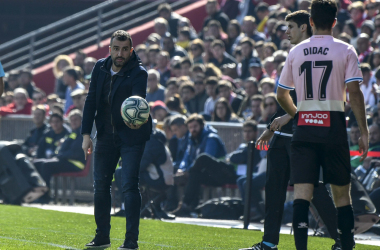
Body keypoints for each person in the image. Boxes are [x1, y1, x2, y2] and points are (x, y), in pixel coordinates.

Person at [240, 10, 342, 250]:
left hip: (307, 134)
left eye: (291, 27)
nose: (286, 32)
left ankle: (342, 239)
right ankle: (268, 243)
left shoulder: (318, 54)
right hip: (283, 136)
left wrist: (289, 116)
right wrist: (271, 127)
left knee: (315, 192)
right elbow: (286, 97)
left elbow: (323, 98)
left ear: (304, 28)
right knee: (274, 191)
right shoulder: (294, 54)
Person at [274, 2, 368, 250]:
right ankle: (346, 246)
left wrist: (296, 114)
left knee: (302, 196)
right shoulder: (346, 50)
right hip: (333, 126)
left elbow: (281, 95)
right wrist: (364, 131)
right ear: (335, 22)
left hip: (304, 128)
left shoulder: (296, 52)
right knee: (341, 196)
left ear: (311, 22)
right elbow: (355, 94)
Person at [81, 30, 152, 250]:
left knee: (129, 186)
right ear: (109, 49)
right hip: (104, 135)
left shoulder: (139, 72)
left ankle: (131, 240)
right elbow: (91, 100)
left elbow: (138, 100)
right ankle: (102, 236)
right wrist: (86, 135)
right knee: (101, 186)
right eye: (116, 49)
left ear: (131, 50)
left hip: (132, 135)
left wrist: (136, 119)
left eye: (124, 49)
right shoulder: (100, 67)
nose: (120, 53)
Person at [34, 110, 85, 203]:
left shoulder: (82, 133)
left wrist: (59, 155)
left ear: (82, 120)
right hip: (65, 161)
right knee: (37, 163)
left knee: (46, 165)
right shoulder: (72, 133)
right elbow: (63, 149)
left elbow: (76, 153)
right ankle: (35, 194)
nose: (73, 122)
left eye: (76, 120)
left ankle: (45, 196)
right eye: (71, 120)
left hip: (75, 164)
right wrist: (57, 155)